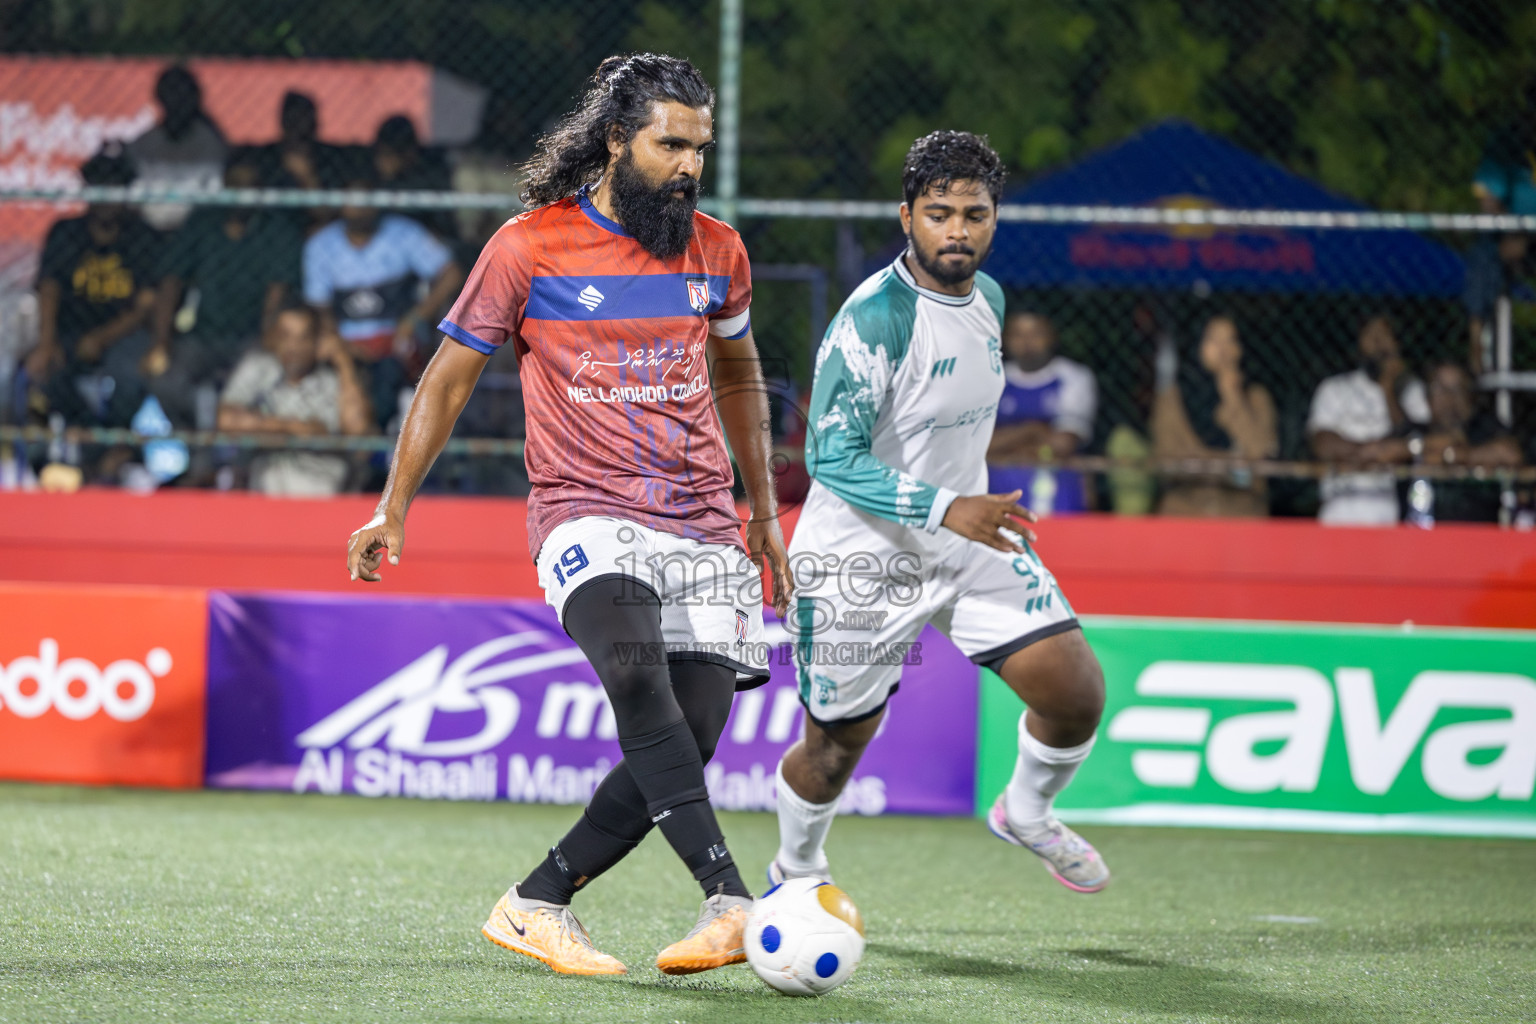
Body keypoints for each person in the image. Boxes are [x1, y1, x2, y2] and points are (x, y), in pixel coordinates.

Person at [344, 53, 793, 977]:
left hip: (704, 516)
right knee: (640, 682)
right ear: (616, 140)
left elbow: (740, 376)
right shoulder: (527, 246)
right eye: (670, 144)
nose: (688, 166)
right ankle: (729, 898)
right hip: (586, 512)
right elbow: (446, 382)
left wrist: (761, 509)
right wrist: (393, 506)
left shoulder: (720, 250)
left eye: (699, 148)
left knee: (695, 731)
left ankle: (539, 900)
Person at [770, 131, 1108, 895]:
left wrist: (957, 512)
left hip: (967, 540)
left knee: (1076, 694)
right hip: (862, 554)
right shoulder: (873, 320)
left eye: (974, 214)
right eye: (939, 213)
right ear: (906, 218)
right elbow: (829, 456)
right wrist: (945, 505)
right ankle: (794, 872)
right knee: (833, 751)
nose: (957, 230)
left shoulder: (989, 299)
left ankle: (1026, 810)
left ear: (994, 219)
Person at [144, 147, 304, 427]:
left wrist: (266, 344)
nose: (241, 194)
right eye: (235, 186)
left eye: (250, 187)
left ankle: (235, 461)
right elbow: (171, 281)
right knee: (165, 380)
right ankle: (199, 444)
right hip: (203, 335)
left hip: (253, 337)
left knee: (254, 387)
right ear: (224, 185)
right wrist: (161, 342)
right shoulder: (204, 221)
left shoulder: (276, 228)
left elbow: (276, 296)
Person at [302, 167, 462, 427]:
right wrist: (338, 343)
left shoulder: (403, 233)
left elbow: (451, 274)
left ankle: (393, 446)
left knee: (393, 379)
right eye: (352, 201)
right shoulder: (321, 244)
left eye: (367, 199)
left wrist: (415, 317)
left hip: (397, 338)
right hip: (346, 341)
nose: (360, 208)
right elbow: (318, 306)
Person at [22, 144, 160, 428]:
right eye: (101, 184)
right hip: (70, 330)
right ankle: (81, 440)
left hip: (124, 333)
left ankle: (114, 445)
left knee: (129, 374)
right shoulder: (66, 232)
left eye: (115, 185)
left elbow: (147, 305)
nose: (107, 196)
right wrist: (47, 342)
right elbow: (49, 287)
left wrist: (102, 338)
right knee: (40, 372)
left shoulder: (143, 236)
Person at [218, 301, 371, 496]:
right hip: (263, 496)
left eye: (303, 338)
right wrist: (296, 428)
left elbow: (359, 432)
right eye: (286, 336)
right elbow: (227, 420)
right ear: (273, 338)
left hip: (322, 496)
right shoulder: (258, 368)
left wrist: (343, 361)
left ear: (317, 341)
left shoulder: (333, 379)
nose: (294, 347)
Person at [1308, 314, 1430, 525]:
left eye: (1384, 337)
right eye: (1371, 336)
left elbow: (1415, 444)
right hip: (1339, 506)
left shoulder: (1412, 390)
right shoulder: (1335, 388)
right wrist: (1375, 453)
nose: (1378, 345)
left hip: (1394, 512)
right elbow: (1323, 444)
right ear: (1359, 342)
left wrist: (1388, 387)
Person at [1150, 315, 1277, 517]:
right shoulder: (1172, 398)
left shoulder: (1256, 398)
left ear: (1241, 349)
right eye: (1213, 340)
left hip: (1242, 514)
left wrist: (1232, 395)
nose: (1223, 349)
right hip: (1184, 512)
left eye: (1230, 340)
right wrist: (1234, 466)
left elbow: (1261, 452)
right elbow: (1168, 461)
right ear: (1197, 345)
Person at [986, 311, 1096, 514]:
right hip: (998, 486)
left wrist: (1007, 445)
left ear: (1051, 336)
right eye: (1018, 334)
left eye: (1036, 334)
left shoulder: (1073, 377)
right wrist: (1033, 430)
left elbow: (1063, 443)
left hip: (1058, 485)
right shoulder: (993, 378)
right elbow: (981, 445)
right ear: (1005, 339)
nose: (1027, 342)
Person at [1406, 361, 1524, 523]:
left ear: (1470, 395)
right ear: (1427, 397)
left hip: (1477, 531)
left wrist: (1454, 455)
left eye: (1457, 389)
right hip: (1417, 532)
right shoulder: (1416, 429)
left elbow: (1511, 454)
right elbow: (1378, 450)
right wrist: (1421, 447)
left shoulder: (1482, 427)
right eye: (1440, 389)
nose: (1449, 399)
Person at [124, 64, 228, 233]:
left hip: (194, 232)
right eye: (171, 95)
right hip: (146, 232)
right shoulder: (143, 144)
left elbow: (214, 195)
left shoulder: (210, 144)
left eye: (182, 96)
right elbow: (132, 195)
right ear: (160, 98)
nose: (177, 102)